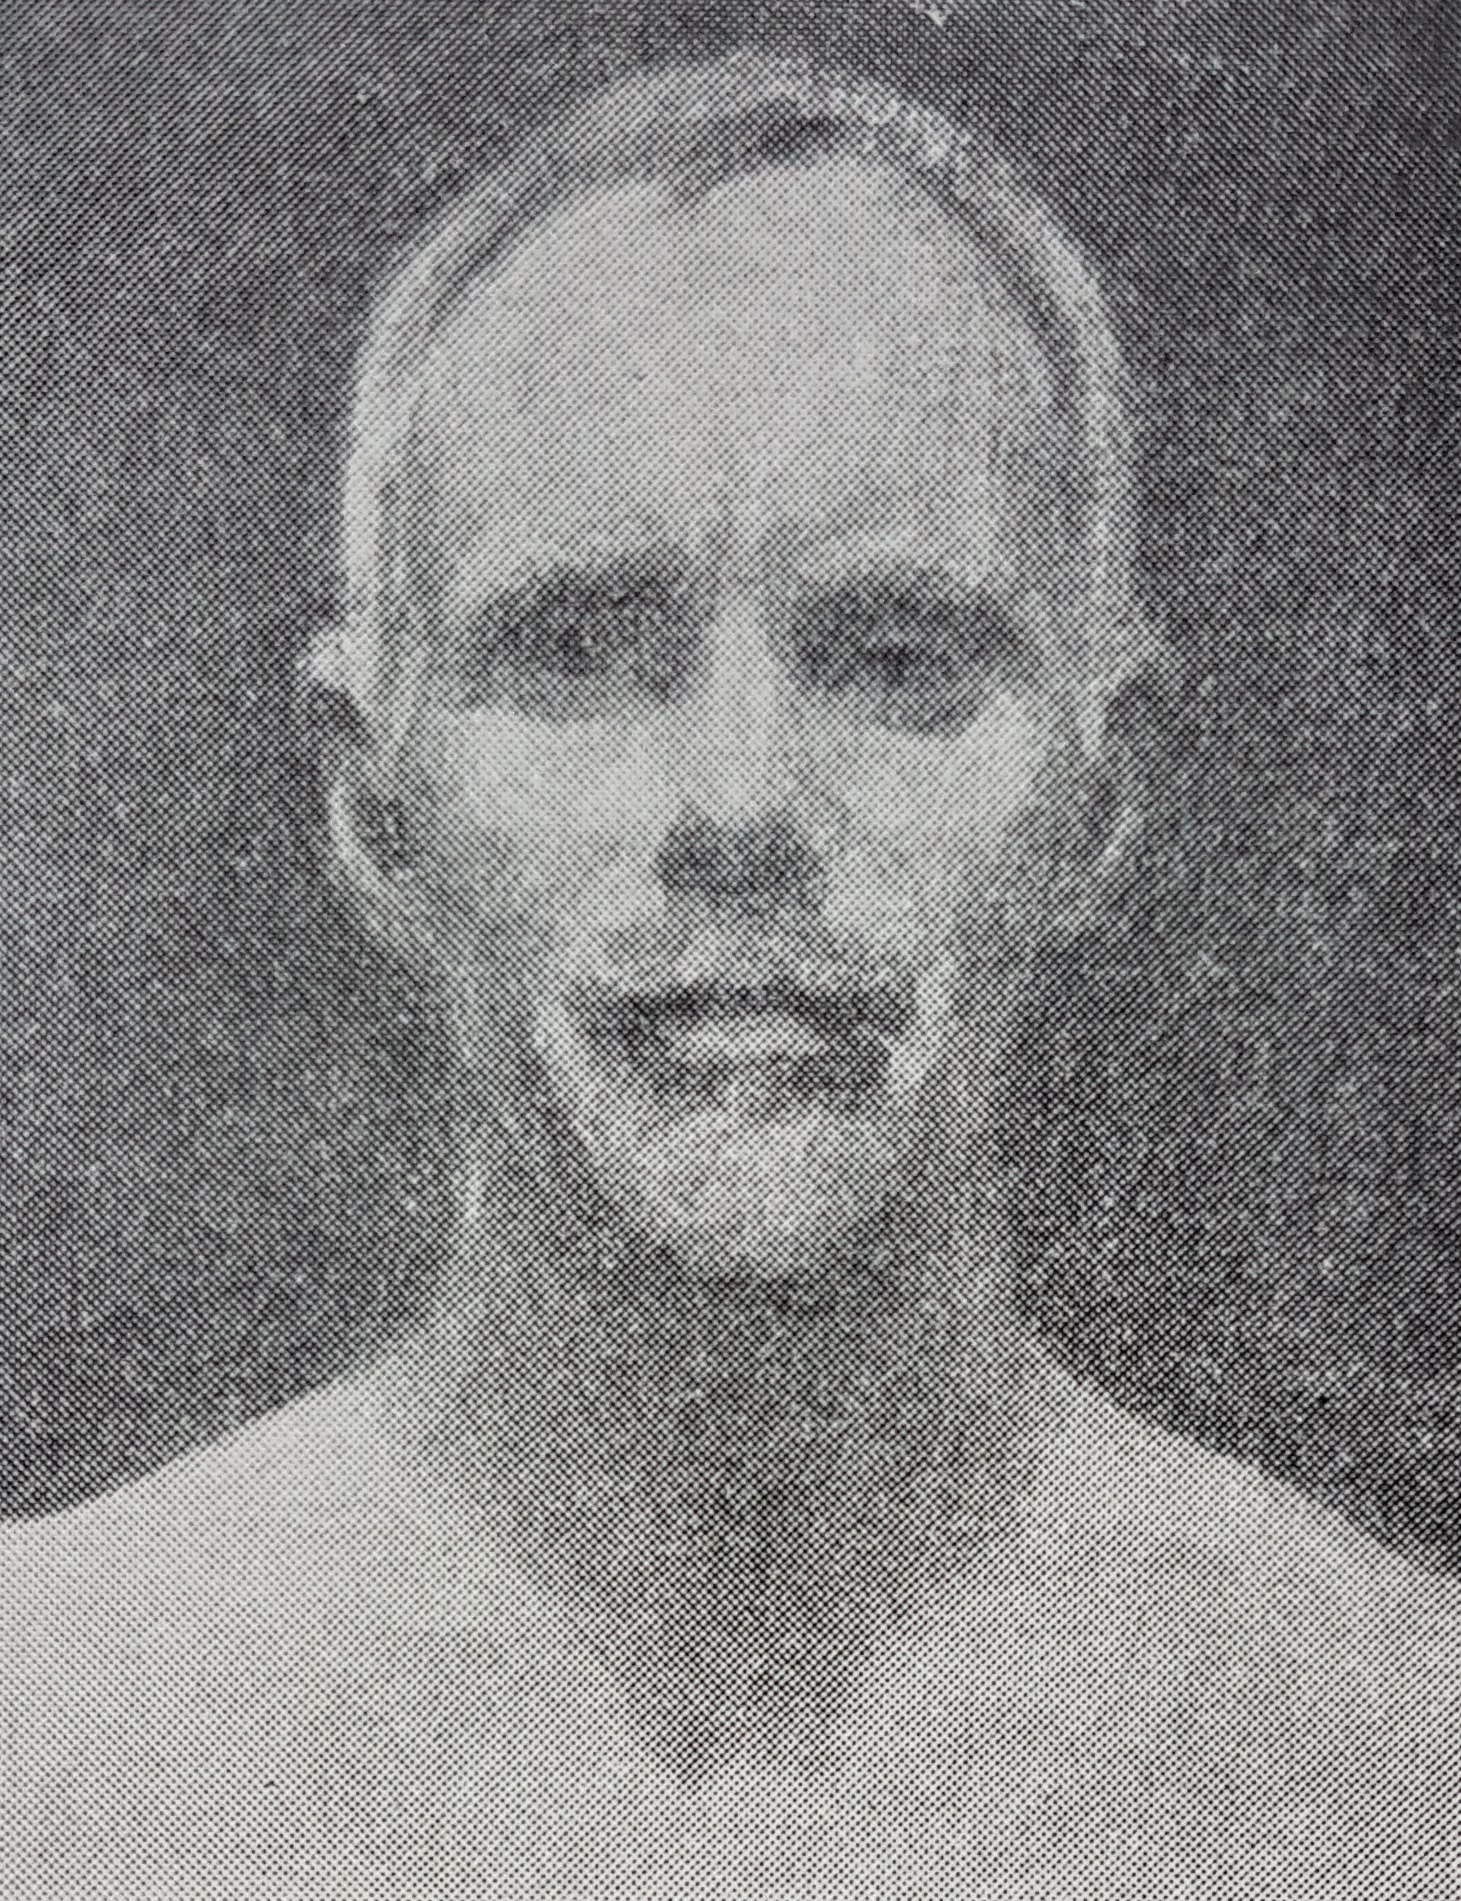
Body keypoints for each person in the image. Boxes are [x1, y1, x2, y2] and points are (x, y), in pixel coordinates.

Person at [2, 50, 1457, 1901]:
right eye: (582, 648)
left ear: (1098, 799)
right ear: (374, 806)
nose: (743, 802)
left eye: (897, 655)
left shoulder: (1395, 1749)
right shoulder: (55, 1728)